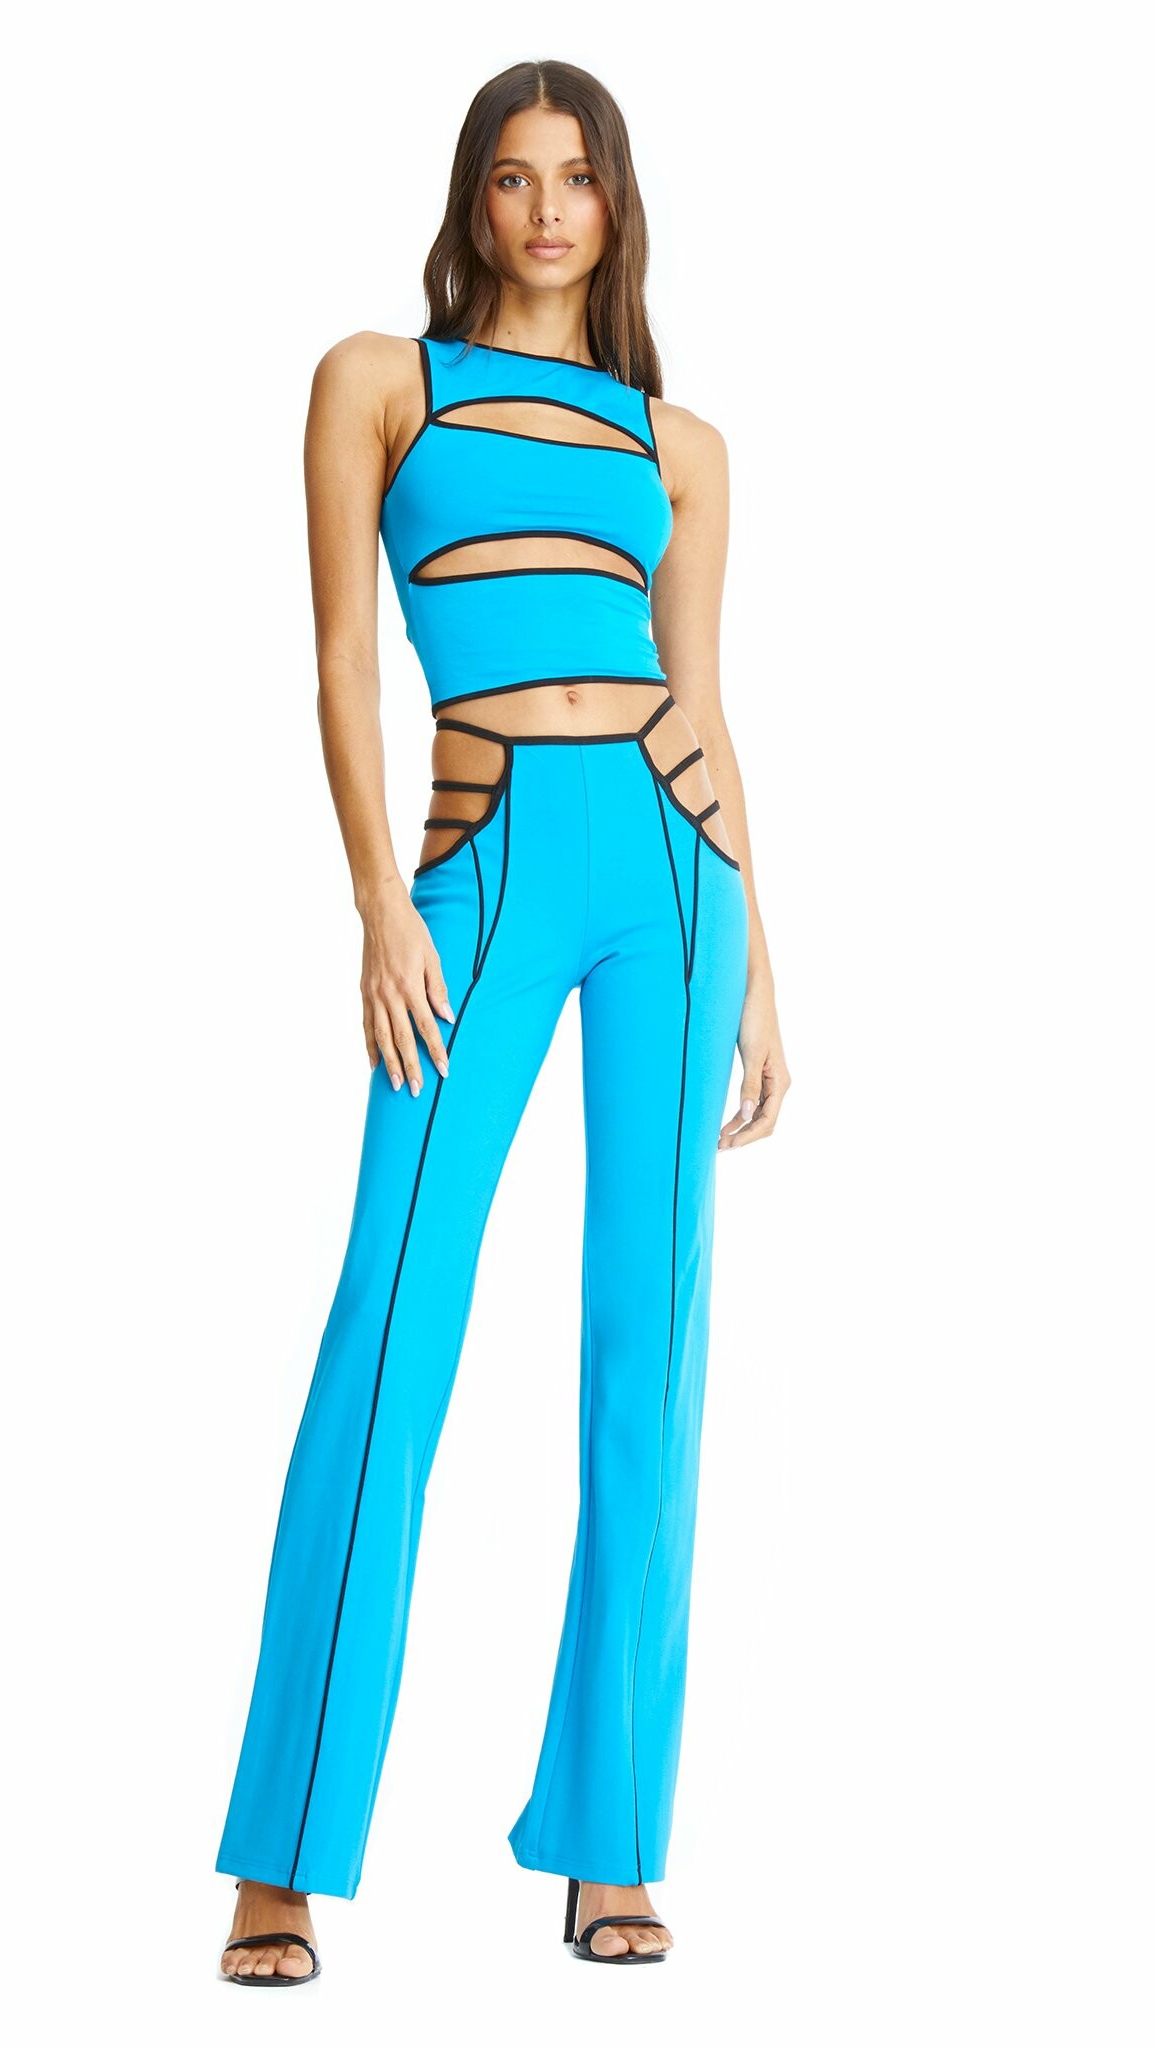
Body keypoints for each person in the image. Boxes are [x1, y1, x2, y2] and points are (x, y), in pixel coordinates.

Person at [215, 59, 791, 1985]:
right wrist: (376, 902)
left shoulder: (678, 443)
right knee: (389, 1324)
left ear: (615, 206)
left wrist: (763, 958)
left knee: (650, 1347)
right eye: (512, 177)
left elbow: (700, 699)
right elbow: (338, 660)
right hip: (471, 867)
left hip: (672, 879)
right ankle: (282, 1856)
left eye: (577, 178)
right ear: (471, 199)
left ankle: (613, 1841)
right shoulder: (380, 381)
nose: (547, 210)